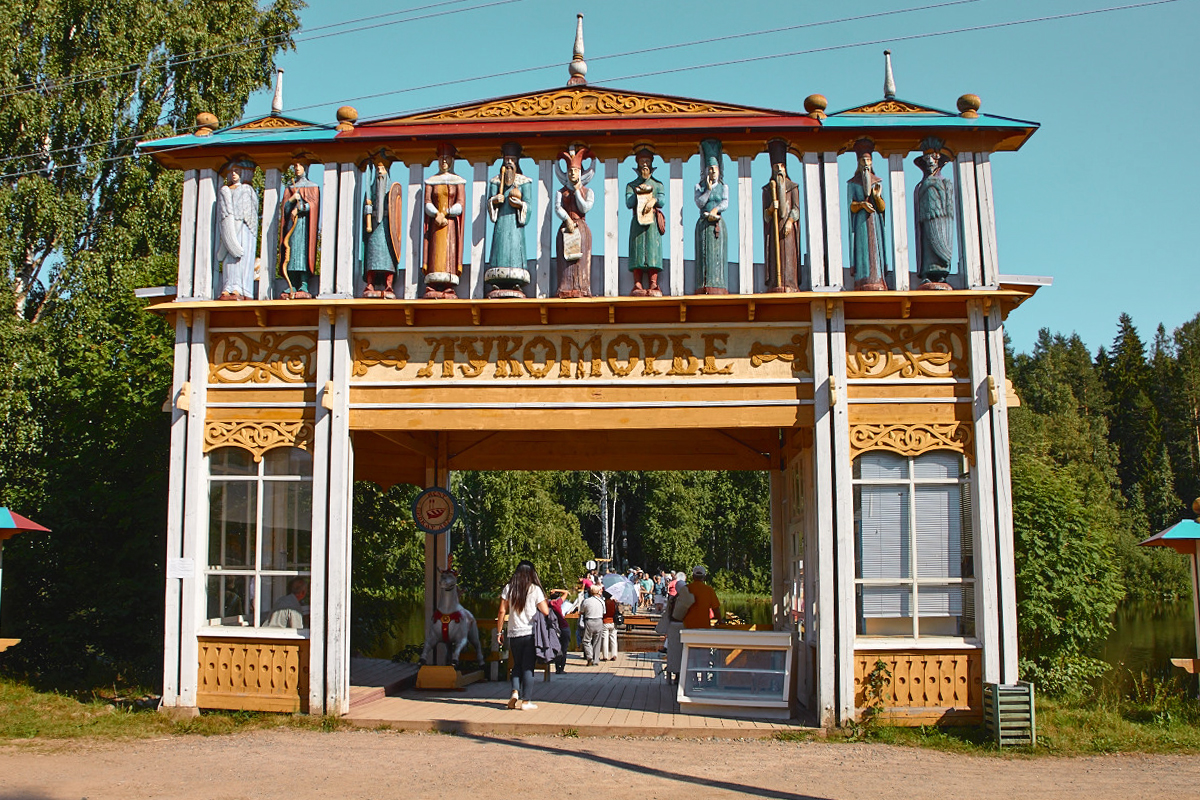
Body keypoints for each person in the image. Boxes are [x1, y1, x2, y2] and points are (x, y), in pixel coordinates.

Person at [496, 560, 549, 711]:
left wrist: (499, 632)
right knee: (528, 667)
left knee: (516, 665)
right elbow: (545, 611)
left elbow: (501, 611)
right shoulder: (535, 589)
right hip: (530, 633)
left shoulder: (509, 588)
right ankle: (526, 701)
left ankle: (514, 692)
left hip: (514, 633)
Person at [485, 142, 533, 298]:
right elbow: (490, 203)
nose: (509, 163)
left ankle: (516, 277)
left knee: (515, 247)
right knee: (500, 246)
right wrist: (494, 201)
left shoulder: (524, 182)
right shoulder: (496, 181)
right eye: (507, 160)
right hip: (501, 224)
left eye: (512, 160)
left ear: (517, 161)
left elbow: (529, 205)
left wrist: (520, 205)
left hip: (515, 226)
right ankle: (497, 277)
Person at [423, 142, 466, 298]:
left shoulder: (458, 181)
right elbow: (427, 201)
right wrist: (436, 214)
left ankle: (449, 282)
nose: (444, 163)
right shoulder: (431, 181)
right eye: (441, 159)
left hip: (450, 225)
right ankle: (433, 282)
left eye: (447, 159)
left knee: (449, 251)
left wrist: (447, 212)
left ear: (453, 161)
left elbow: (460, 204)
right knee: (435, 250)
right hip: (436, 224)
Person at [554, 145, 596, 298]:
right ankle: (565, 287)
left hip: (580, 227)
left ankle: (581, 287)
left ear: (580, 173)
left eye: (575, 171)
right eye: (570, 171)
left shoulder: (588, 192)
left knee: (581, 259)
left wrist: (578, 191)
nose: (572, 174)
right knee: (565, 259)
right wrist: (566, 219)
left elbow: (584, 207)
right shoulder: (561, 192)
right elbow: (557, 208)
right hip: (566, 228)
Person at [913, 136, 955, 288]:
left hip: (940, 220)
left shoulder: (945, 181)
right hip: (925, 220)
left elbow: (948, 207)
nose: (930, 161)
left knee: (939, 243)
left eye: (933, 158)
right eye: (927, 158)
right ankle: (927, 273)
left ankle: (941, 273)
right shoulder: (920, 185)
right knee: (926, 245)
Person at [215, 160, 259, 301]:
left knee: (240, 258)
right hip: (229, 230)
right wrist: (229, 235)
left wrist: (234, 232)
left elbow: (249, 214)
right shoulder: (225, 190)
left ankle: (240, 287)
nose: (234, 174)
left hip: (243, 231)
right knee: (229, 260)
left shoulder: (247, 189)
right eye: (232, 172)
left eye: (237, 171)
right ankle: (228, 286)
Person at [848, 138, 888, 291]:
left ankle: (877, 277)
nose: (866, 164)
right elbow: (851, 206)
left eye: (868, 161)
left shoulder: (877, 182)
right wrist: (861, 205)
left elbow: (882, 208)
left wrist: (877, 197)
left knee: (875, 249)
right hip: (861, 223)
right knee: (863, 249)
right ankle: (862, 278)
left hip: (875, 222)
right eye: (863, 161)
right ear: (859, 162)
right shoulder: (853, 182)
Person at [762, 139, 801, 293]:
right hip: (774, 230)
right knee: (775, 257)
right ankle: (775, 282)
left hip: (788, 229)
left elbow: (796, 208)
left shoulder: (793, 187)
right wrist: (771, 209)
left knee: (789, 256)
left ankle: (791, 282)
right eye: (776, 167)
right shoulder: (767, 189)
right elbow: (765, 215)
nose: (779, 170)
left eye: (781, 167)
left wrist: (790, 221)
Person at [625, 147, 665, 297]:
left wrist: (653, 200)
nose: (645, 165)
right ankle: (637, 282)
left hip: (652, 223)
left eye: (647, 162)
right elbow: (629, 203)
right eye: (642, 162)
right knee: (637, 250)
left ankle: (654, 282)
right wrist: (638, 194)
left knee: (653, 250)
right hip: (637, 221)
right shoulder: (631, 185)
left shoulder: (657, 184)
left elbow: (663, 199)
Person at [278, 161, 320, 300]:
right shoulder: (290, 188)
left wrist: (301, 207)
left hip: (304, 227)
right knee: (291, 253)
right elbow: (284, 209)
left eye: (299, 166)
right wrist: (291, 199)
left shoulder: (312, 187)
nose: (297, 169)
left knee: (302, 253)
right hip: (292, 227)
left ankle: (304, 283)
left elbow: (313, 205)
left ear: (305, 168)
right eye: (295, 166)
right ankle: (292, 283)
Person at [694, 138, 729, 294]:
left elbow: (725, 203)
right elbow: (700, 203)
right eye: (710, 169)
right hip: (703, 223)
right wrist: (707, 190)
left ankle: (718, 283)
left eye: (715, 169)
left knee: (718, 254)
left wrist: (715, 211)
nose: (712, 172)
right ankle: (704, 282)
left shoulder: (723, 187)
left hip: (717, 224)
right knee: (703, 254)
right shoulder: (699, 187)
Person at [362, 157, 400, 298]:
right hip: (373, 230)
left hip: (386, 229)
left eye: (382, 169)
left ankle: (388, 284)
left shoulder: (391, 191)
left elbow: (395, 212)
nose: (379, 172)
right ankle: (370, 283)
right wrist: (367, 210)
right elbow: (365, 214)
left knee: (388, 258)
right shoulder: (369, 192)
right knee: (372, 258)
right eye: (378, 169)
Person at [683, 565, 721, 630]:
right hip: (704, 625)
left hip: (688, 625)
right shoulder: (709, 590)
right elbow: (716, 609)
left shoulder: (686, 589)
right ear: (704, 577)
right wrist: (720, 621)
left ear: (693, 576)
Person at [579, 584, 606, 666]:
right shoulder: (601, 601)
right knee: (597, 641)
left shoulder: (586, 601)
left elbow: (581, 611)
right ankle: (596, 660)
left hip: (589, 620)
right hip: (599, 620)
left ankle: (589, 656)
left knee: (586, 640)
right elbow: (604, 612)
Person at [548, 589, 572, 674]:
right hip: (563, 627)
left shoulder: (547, 604)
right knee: (564, 648)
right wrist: (557, 590)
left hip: (553, 629)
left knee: (556, 648)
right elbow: (566, 592)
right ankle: (561, 668)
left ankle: (557, 667)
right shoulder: (557, 603)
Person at [601, 589, 619, 662]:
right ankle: (614, 655)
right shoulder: (614, 603)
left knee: (605, 639)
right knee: (613, 639)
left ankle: (605, 656)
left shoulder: (603, 603)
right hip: (613, 621)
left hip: (605, 621)